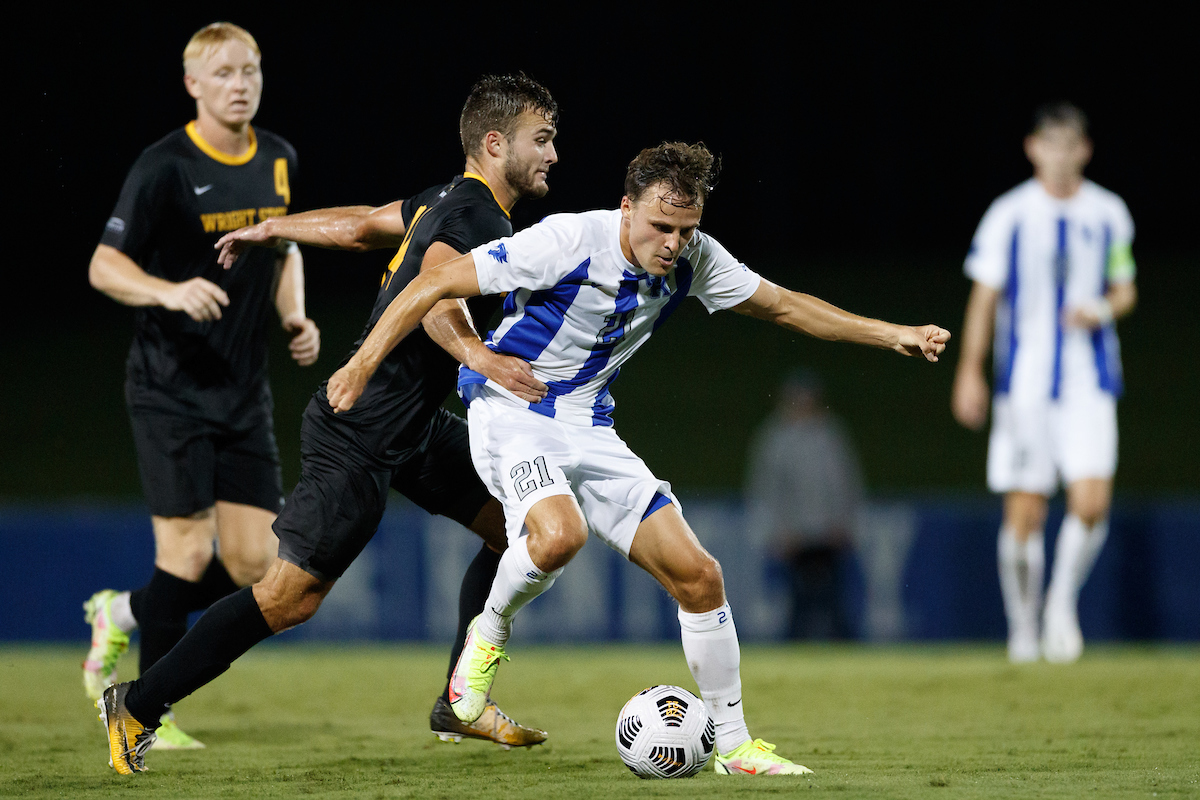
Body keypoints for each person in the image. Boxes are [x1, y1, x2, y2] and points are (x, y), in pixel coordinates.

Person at [321, 141, 949, 776]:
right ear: (626, 207)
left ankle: (735, 748)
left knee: (700, 576)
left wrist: (892, 334)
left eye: (686, 229)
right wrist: (361, 364)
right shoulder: (567, 240)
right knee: (560, 536)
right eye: (660, 226)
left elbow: (783, 305)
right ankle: (482, 650)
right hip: (513, 410)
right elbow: (433, 282)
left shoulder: (695, 257)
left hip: (591, 427)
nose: (673, 244)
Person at [96, 73, 560, 774]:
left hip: (412, 427)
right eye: (542, 139)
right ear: (495, 144)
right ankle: (136, 703)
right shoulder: (480, 219)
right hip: (359, 429)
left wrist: (274, 227)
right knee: (288, 598)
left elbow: (363, 225)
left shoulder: (444, 198)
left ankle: (458, 701)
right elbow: (435, 295)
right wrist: (479, 355)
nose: (553, 154)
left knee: (516, 528)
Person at [83, 22, 321, 750]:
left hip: (242, 392)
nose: (239, 84)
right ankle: (146, 717)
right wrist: (169, 292)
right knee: (185, 555)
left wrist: (295, 316)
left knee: (257, 565)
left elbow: (284, 248)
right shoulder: (164, 165)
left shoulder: (278, 157)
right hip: (169, 389)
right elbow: (103, 266)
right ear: (192, 84)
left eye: (250, 70)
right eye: (222, 73)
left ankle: (121, 613)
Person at [951, 102, 1137, 664]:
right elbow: (984, 297)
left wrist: (1099, 310)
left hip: (1089, 381)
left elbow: (1125, 288)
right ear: (1033, 148)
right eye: (1050, 143)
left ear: (1085, 150)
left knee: (1092, 502)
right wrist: (969, 370)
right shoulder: (1009, 213)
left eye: (1070, 144)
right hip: (1025, 385)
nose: (1060, 155)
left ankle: (1060, 603)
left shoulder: (1109, 212)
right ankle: (1023, 627)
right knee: (1025, 514)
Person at [745, 369, 864, 640]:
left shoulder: (830, 433)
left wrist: (845, 524)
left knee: (835, 600)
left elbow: (846, 483)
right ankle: (795, 645)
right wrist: (777, 531)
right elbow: (766, 489)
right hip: (794, 535)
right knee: (796, 602)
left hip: (828, 532)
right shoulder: (775, 437)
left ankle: (841, 647)